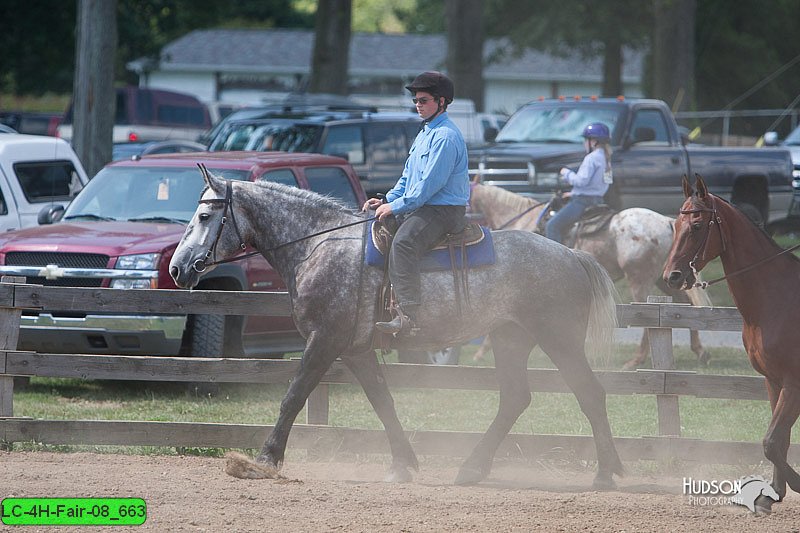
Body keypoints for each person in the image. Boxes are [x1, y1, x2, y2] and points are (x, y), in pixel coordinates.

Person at [362, 71, 470, 336]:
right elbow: (409, 178)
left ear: (441, 102)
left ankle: (409, 316)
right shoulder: (425, 132)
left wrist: (397, 206)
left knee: (404, 243)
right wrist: (387, 199)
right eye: (416, 101)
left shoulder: (445, 137)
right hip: (425, 206)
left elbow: (429, 186)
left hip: (443, 210)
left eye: (423, 100)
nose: (418, 105)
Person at [545, 122, 612, 244]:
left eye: (586, 140)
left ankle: (556, 260)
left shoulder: (591, 158)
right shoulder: (607, 159)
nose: (584, 143)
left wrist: (566, 173)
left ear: (593, 141)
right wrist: (573, 193)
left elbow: (581, 181)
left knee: (552, 226)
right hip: (599, 200)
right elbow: (606, 183)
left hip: (582, 202)